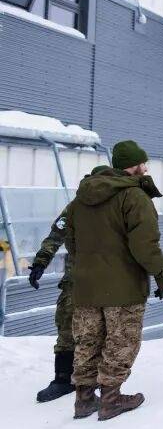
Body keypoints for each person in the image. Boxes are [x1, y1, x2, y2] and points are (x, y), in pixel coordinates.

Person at [68, 140, 163, 420]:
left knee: (87, 341)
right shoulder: (133, 196)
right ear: (133, 166)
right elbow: (145, 244)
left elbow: (71, 241)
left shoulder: (81, 198)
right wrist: (160, 273)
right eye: (142, 163)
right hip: (123, 286)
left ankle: (83, 399)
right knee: (121, 340)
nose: (145, 168)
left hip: (86, 286)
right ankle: (111, 399)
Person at [28, 165, 110, 402]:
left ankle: (101, 379)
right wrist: (40, 262)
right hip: (76, 280)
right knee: (66, 325)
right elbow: (56, 235)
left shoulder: (120, 206)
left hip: (109, 281)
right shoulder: (76, 207)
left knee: (105, 330)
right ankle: (63, 379)